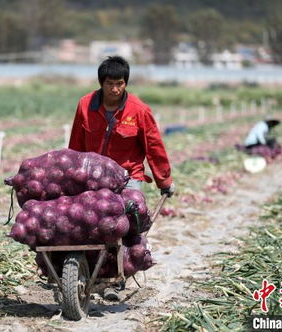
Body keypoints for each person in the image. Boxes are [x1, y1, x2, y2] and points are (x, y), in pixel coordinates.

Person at [68, 55, 175, 301]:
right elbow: (75, 145)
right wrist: (72, 180)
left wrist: (164, 181)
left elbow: (154, 147)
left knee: (125, 223)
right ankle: (89, 269)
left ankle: (121, 273)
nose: (115, 89)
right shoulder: (85, 105)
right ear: (101, 83)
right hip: (93, 176)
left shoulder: (138, 111)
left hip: (128, 176)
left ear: (126, 83)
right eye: (109, 84)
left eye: (120, 83)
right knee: (89, 225)